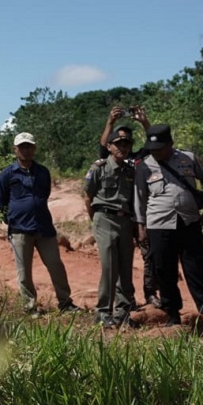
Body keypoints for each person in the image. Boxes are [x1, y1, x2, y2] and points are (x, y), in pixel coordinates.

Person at [133, 124, 203, 339]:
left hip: (188, 223)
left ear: (170, 144)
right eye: (152, 149)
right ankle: (172, 315)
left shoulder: (187, 158)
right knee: (164, 271)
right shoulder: (144, 166)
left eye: (160, 148)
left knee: (197, 271)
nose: (156, 153)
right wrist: (141, 227)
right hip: (158, 225)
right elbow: (140, 198)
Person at [0, 132, 79, 314]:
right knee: (24, 271)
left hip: (43, 227)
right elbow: (1, 200)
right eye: (22, 147)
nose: (26, 150)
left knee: (55, 264)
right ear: (15, 149)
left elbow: (45, 193)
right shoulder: (7, 174)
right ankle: (30, 306)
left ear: (34, 148)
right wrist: (12, 218)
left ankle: (65, 302)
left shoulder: (42, 172)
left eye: (29, 146)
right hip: (19, 229)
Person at [97, 106, 160, 309]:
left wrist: (144, 122)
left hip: (140, 216)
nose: (123, 143)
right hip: (120, 217)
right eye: (119, 140)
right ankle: (125, 300)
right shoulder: (112, 160)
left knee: (148, 255)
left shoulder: (139, 159)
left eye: (127, 140)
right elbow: (103, 144)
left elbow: (154, 144)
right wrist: (110, 121)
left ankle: (150, 293)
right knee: (119, 260)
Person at [83, 129, 137, 327]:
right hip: (105, 218)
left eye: (126, 144)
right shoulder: (100, 167)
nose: (122, 148)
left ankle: (123, 311)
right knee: (109, 268)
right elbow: (88, 196)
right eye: (118, 144)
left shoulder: (131, 170)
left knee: (125, 268)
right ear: (109, 147)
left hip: (126, 221)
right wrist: (96, 220)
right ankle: (103, 312)